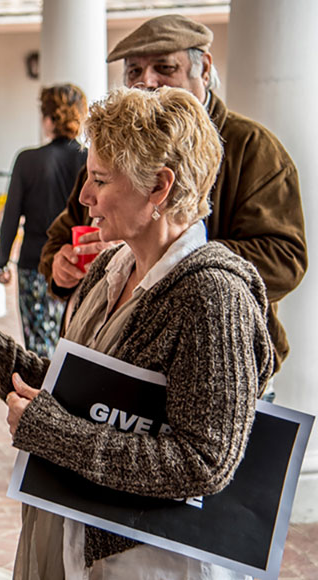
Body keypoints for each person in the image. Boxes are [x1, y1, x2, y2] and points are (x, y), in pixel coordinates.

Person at [0, 87, 273, 579]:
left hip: (145, 562)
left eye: (100, 180)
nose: (84, 197)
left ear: (160, 187)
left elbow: (204, 462)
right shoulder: (111, 264)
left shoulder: (213, 298)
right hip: (75, 538)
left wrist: (51, 432)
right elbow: (80, 389)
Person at [39, 14, 306, 381]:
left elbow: (285, 258)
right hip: (113, 362)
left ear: (204, 69)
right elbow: (66, 228)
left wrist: (165, 259)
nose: (147, 81)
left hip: (214, 365)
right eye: (134, 72)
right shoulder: (114, 148)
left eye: (164, 67)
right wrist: (59, 264)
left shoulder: (252, 147)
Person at [0, 84, 88, 358]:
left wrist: (1, 261)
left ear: (48, 119)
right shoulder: (90, 159)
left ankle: (39, 396)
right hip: (78, 263)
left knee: (38, 347)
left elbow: (11, 216)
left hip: (34, 262)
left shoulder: (28, 160)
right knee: (75, 341)